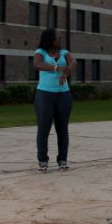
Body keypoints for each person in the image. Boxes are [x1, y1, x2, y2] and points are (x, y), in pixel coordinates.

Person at [33, 28, 76, 172]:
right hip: (45, 95)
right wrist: (57, 67)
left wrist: (66, 72)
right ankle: (43, 161)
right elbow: (38, 65)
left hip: (63, 95)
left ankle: (62, 160)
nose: (60, 39)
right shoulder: (41, 52)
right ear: (51, 39)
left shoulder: (64, 53)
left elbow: (73, 63)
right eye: (58, 37)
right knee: (43, 128)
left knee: (62, 128)